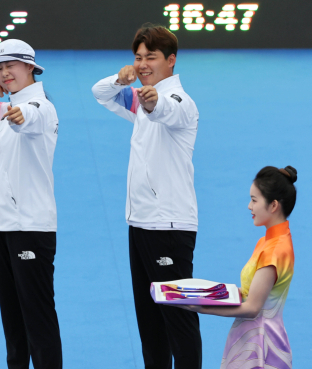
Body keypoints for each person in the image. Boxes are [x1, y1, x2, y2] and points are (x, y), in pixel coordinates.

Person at [91, 24, 201, 369]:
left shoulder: (178, 101)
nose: (142, 64)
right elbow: (100, 93)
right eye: (138, 57)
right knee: (149, 322)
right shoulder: (139, 98)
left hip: (169, 226)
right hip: (139, 223)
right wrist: (121, 81)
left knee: (178, 320)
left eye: (150, 57)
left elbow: (165, 107)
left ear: (170, 60)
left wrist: (151, 99)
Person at [0, 39, 62, 369]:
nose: (5, 72)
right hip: (0, 228)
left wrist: (20, 114)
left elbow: (29, 117)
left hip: (30, 229)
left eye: (11, 65)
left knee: (38, 321)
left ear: (30, 67)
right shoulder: (8, 106)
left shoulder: (39, 107)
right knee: (13, 323)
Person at [179, 166, 297, 369]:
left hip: (260, 346)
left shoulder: (274, 251)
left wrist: (201, 307)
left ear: (274, 205)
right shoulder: (268, 241)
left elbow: (252, 308)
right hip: (251, 337)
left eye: (254, 200)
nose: (249, 206)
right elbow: (250, 292)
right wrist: (207, 292)